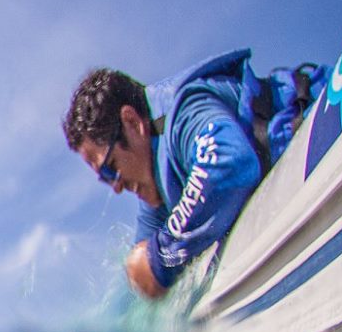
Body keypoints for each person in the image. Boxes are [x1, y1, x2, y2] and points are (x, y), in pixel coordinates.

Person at [62, 52, 319, 299]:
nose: (115, 187)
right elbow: (141, 268)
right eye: (105, 179)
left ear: (131, 122)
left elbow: (230, 163)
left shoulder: (184, 113)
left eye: (110, 168)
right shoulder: (155, 186)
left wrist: (162, 255)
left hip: (319, 111)